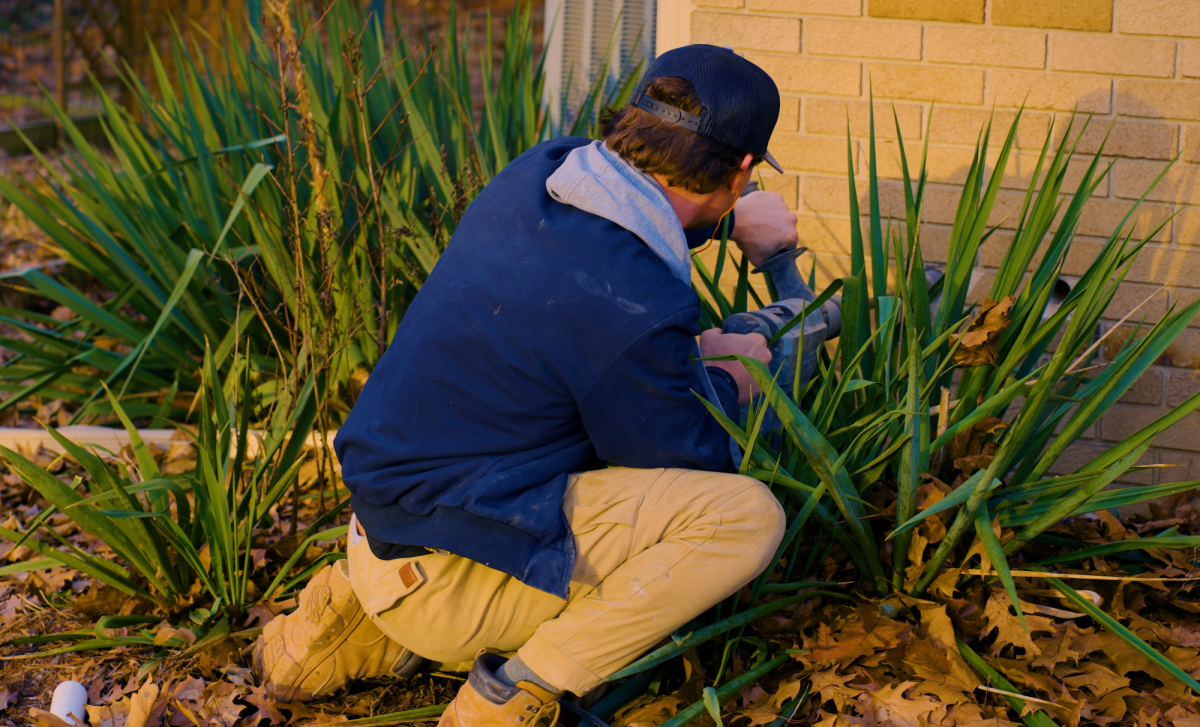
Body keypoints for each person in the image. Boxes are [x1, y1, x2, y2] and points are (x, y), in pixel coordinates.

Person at [254, 44, 797, 726]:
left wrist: (724, 222)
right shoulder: (637, 306)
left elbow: (608, 255)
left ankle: (352, 624)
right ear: (743, 168)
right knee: (741, 517)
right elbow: (685, 460)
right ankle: (513, 701)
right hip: (444, 581)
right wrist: (728, 373)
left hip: (381, 530)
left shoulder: (542, 173)